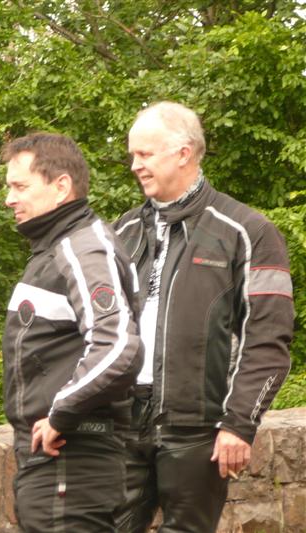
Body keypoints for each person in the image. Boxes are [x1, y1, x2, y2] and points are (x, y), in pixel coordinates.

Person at [114, 101, 294, 532]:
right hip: (120, 421)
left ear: (183, 153)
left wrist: (239, 423)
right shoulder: (122, 231)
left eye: (145, 154)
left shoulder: (247, 231)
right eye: (133, 155)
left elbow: (267, 339)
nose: (135, 165)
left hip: (199, 427)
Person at [1, 132, 143, 532]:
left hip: (73, 457)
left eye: (20, 187)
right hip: (58, 458)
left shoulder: (82, 248)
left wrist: (61, 413)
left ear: (61, 186)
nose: (9, 199)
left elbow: (118, 346)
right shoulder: (55, 248)